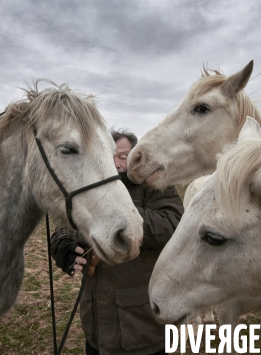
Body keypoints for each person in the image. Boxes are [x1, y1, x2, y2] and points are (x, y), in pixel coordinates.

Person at [51, 129, 184, 355]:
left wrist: (120, 212)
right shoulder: (90, 189)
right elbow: (62, 230)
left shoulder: (154, 185)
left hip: (142, 326)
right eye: (108, 155)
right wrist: (64, 248)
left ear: (134, 157)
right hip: (96, 326)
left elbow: (172, 226)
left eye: (122, 156)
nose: (116, 162)